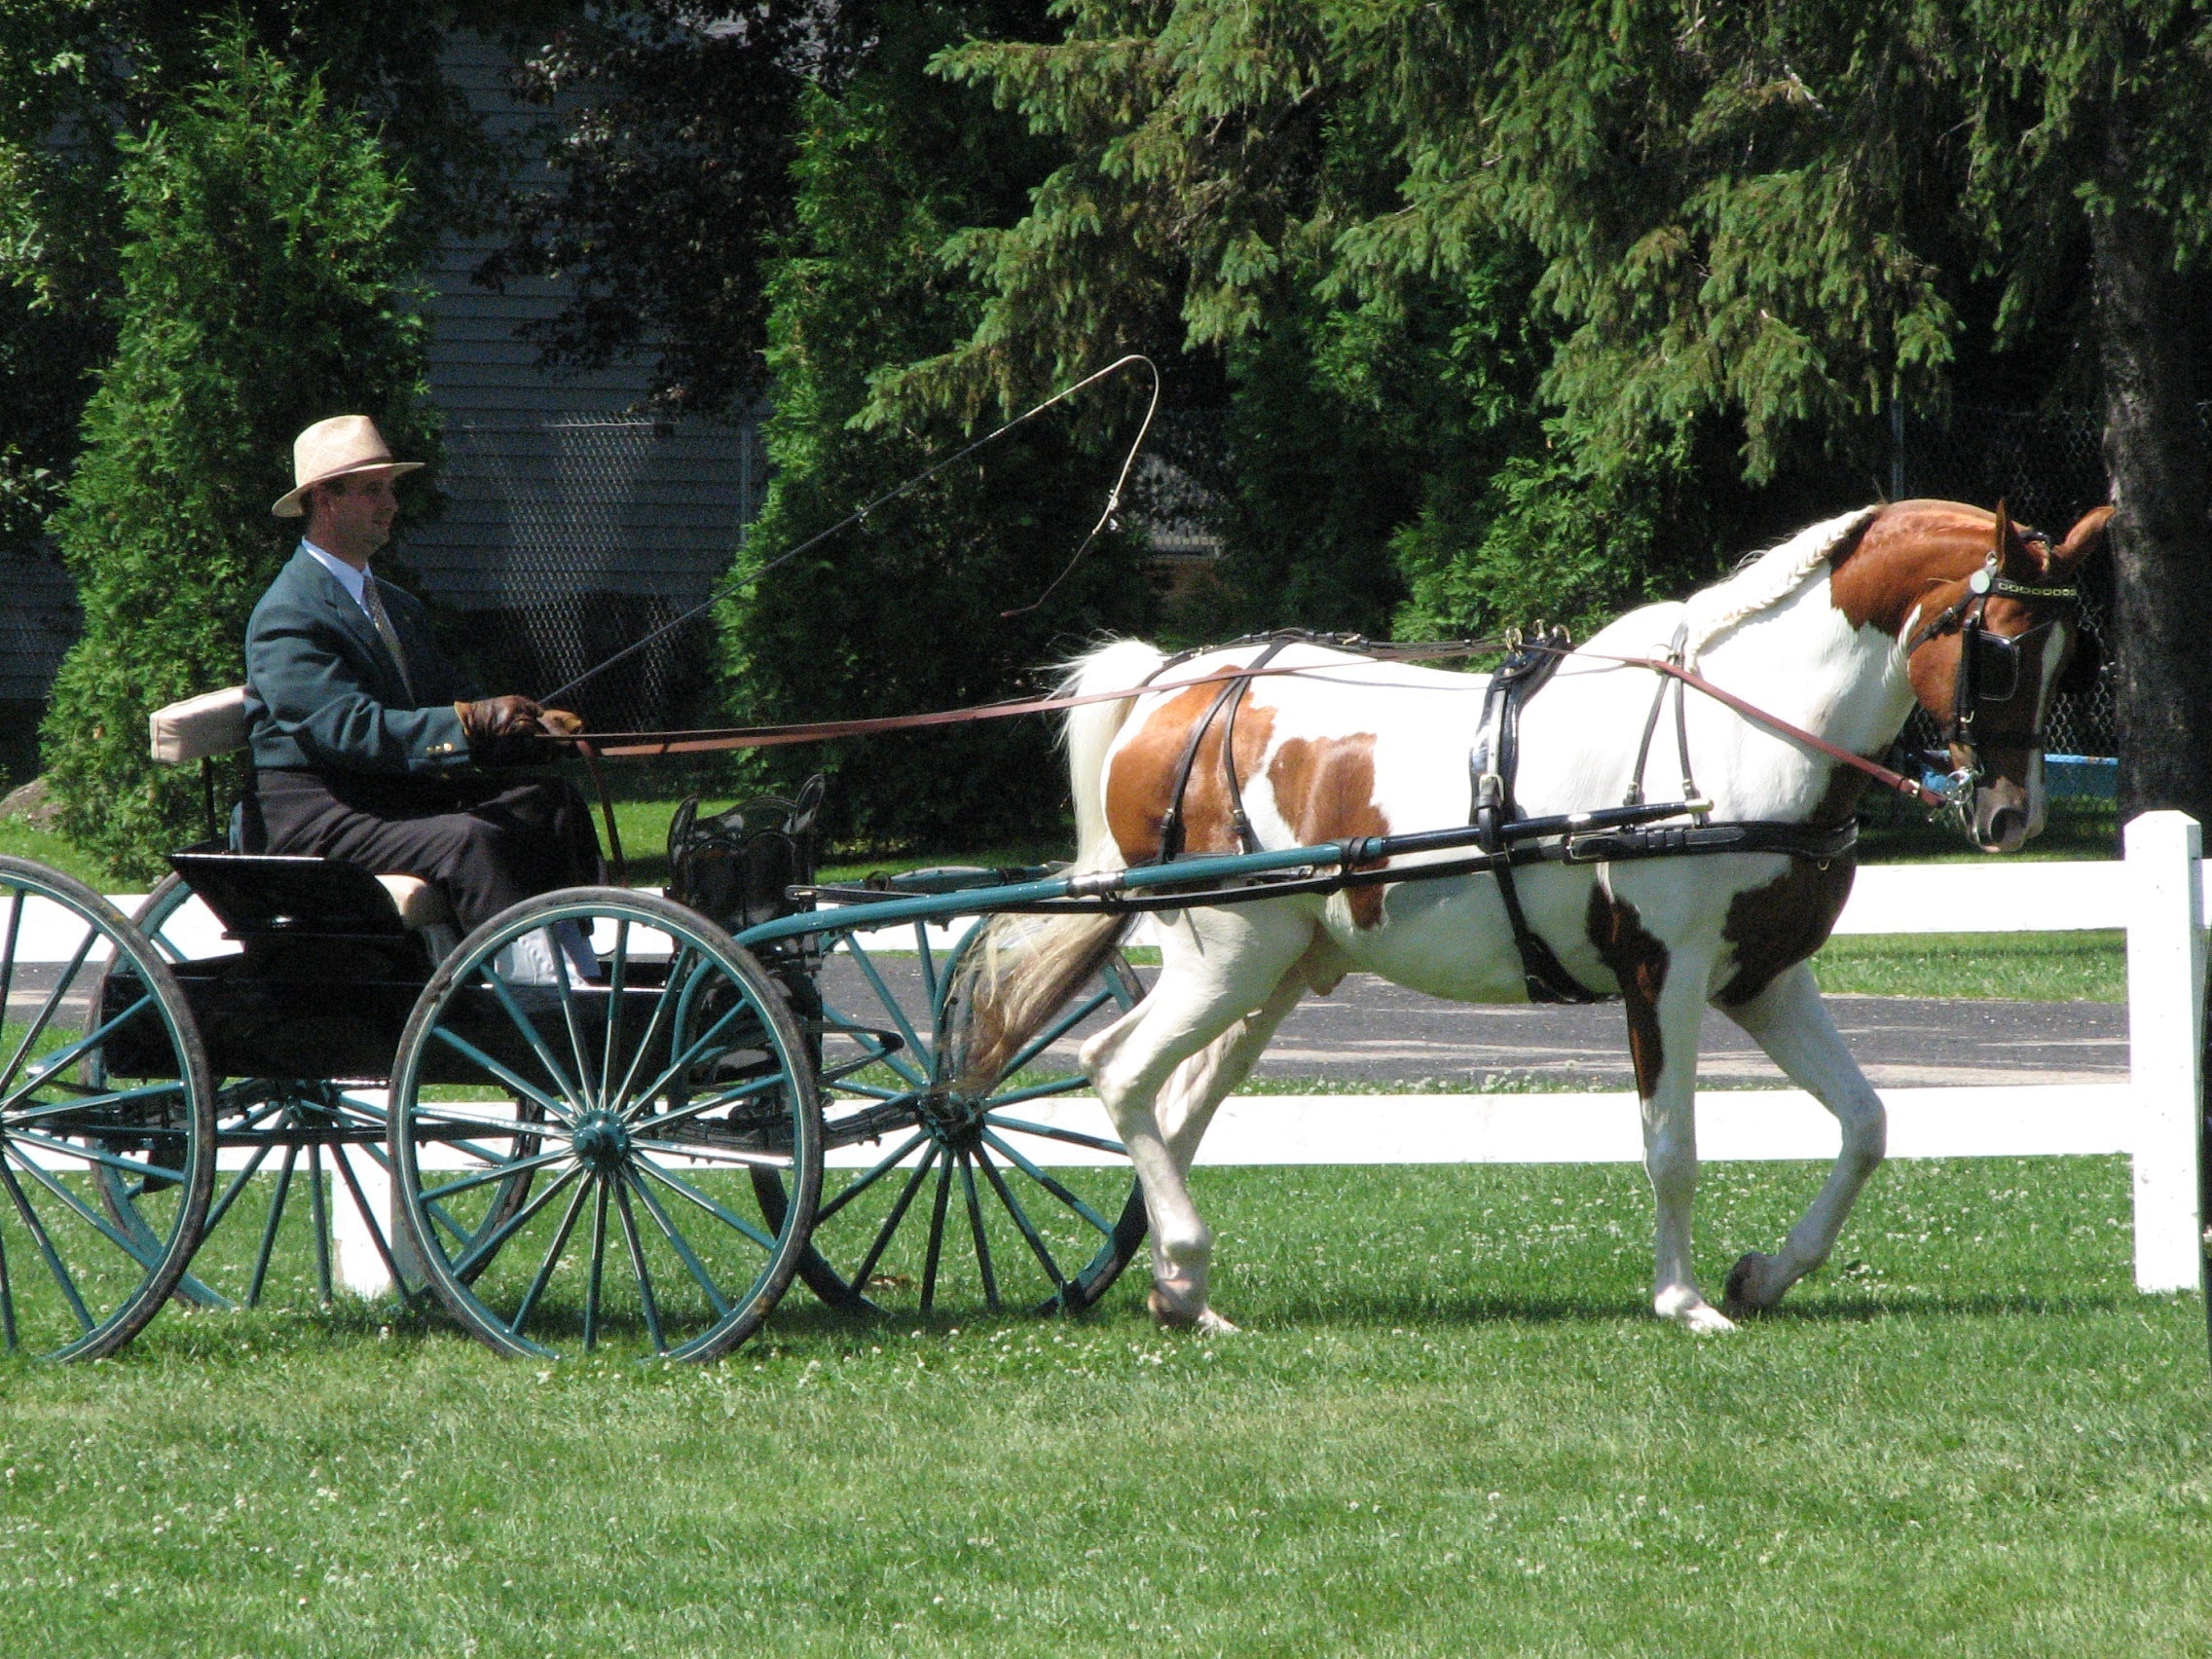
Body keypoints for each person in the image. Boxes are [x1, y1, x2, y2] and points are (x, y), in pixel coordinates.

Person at [243, 415, 603, 940]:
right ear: (324, 500)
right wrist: (468, 723)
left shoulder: (396, 606)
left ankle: (580, 975)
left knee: (550, 805)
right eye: (372, 491)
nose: (390, 504)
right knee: (471, 841)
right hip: (319, 813)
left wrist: (518, 729)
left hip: (393, 796)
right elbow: (346, 729)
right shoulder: (289, 612)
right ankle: (519, 998)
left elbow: (444, 698)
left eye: (390, 490)